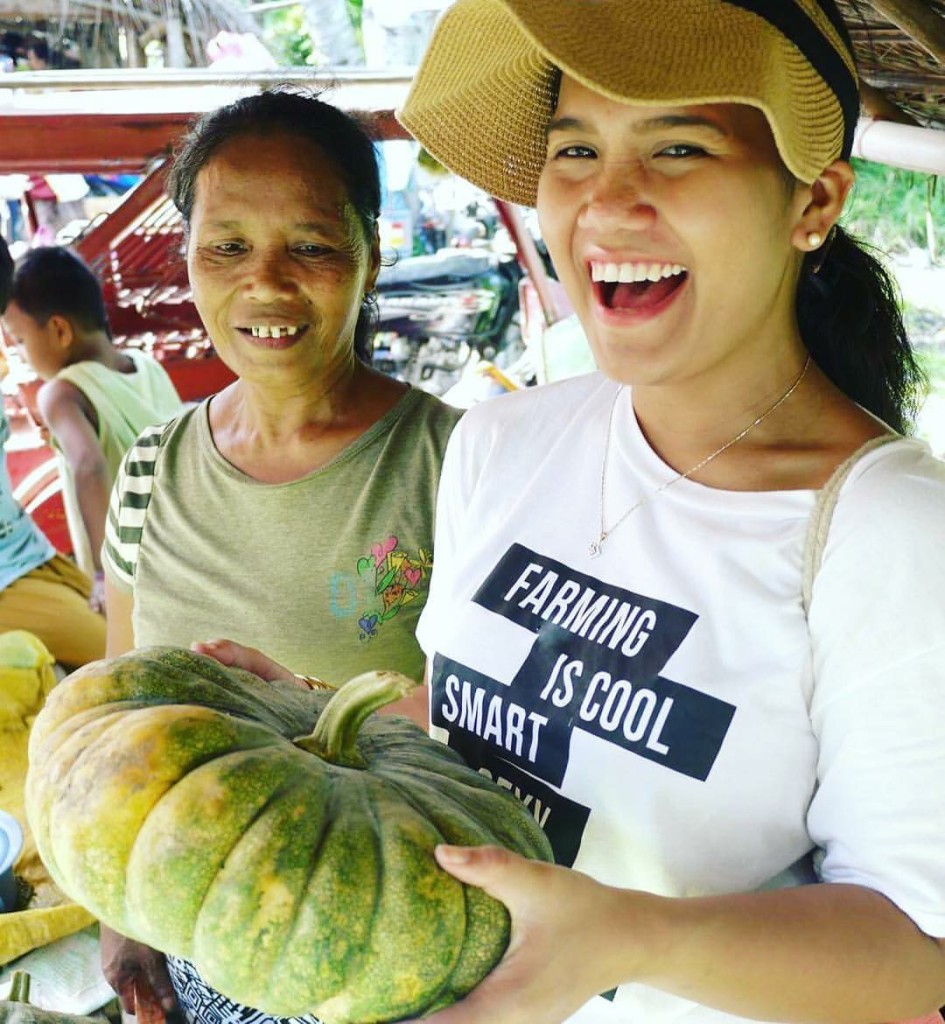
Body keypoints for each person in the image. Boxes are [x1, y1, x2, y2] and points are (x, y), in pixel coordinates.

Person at [212, 3, 945, 1022]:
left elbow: (918, 948)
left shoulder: (892, 529)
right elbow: (480, 735)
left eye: (678, 147)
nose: (607, 202)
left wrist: (627, 932)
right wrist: (312, 720)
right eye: (575, 150)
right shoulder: (503, 444)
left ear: (813, 203)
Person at [98, 87, 462, 1022]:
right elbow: (120, 709)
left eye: (308, 244)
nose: (265, 283)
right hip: (195, 947)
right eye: (226, 247)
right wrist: (120, 907)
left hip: (388, 950)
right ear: (186, 257)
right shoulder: (149, 471)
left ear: (370, 256)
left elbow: (507, 733)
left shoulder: (459, 464)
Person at [3, 246, 182, 613]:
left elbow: (89, 465)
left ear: (59, 330)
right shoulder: (147, 367)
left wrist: (105, 575)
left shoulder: (62, 393)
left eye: (19, 341)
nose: (20, 354)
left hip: (136, 574)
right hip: (181, 551)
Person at [0, 238, 105, 668]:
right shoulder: (62, 395)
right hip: (11, 577)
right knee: (126, 656)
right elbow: (89, 464)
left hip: (30, 557)